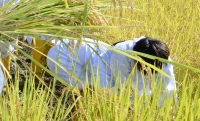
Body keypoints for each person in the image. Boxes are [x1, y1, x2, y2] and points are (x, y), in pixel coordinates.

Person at [46, 36, 176, 103]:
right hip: (62, 56)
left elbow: (169, 91)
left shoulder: (162, 58)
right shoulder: (121, 56)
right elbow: (126, 89)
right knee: (91, 93)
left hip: (85, 54)